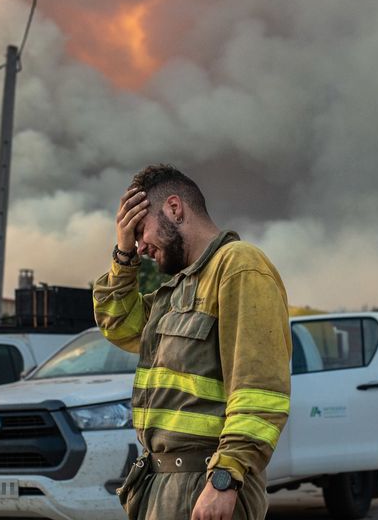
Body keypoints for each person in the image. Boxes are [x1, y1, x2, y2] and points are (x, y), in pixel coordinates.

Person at [93, 164, 291, 520]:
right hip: (162, 485)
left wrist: (225, 479)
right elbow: (119, 325)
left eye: (140, 231)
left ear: (174, 208)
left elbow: (259, 392)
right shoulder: (178, 288)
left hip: (206, 485)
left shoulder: (240, 266)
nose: (140, 247)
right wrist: (122, 256)